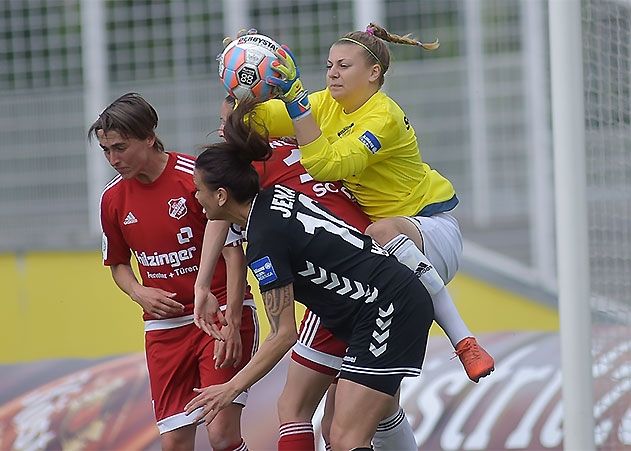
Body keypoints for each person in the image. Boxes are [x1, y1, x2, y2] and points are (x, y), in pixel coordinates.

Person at [185, 97, 435, 451]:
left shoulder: (265, 240)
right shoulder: (273, 199)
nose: (196, 198)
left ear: (222, 195)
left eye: (200, 190)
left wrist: (231, 387)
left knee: (346, 437)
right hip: (380, 305)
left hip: (387, 309)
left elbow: (283, 335)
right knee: (343, 431)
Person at [255, 23, 494, 382]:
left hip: (429, 232)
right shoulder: (324, 104)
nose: (333, 73)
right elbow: (251, 121)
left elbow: (328, 166)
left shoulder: (383, 116)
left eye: (344, 66)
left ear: (373, 73)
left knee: (380, 230)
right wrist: (247, 78)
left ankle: (463, 340)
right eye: (329, 65)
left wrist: (295, 104)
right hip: (386, 255)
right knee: (364, 411)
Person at [90, 92, 257, 451]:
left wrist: (231, 317)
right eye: (106, 151)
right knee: (175, 444)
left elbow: (232, 251)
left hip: (219, 318)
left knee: (221, 433)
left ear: (149, 137)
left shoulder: (194, 179)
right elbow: (118, 265)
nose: (113, 159)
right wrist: (139, 291)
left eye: (120, 147)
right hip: (164, 331)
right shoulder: (112, 199)